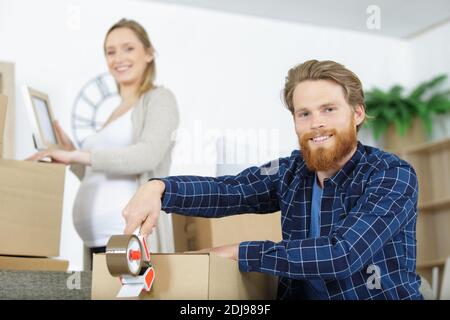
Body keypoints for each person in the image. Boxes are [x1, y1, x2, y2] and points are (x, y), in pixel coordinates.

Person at [120, 60, 422, 300]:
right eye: (304, 114)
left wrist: (239, 252)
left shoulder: (391, 174)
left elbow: (343, 253)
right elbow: (229, 191)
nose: (316, 123)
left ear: (357, 113)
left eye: (329, 109)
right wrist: (159, 188)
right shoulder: (290, 172)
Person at [27, 18, 179, 264]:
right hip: (98, 242)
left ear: (149, 54)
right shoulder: (115, 112)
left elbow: (147, 155)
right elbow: (98, 173)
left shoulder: (159, 98)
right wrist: (70, 155)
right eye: (111, 52)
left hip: (129, 236)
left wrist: (79, 156)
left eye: (128, 48)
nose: (118, 58)